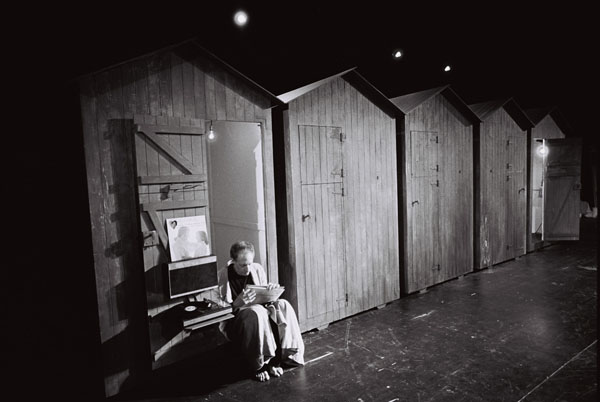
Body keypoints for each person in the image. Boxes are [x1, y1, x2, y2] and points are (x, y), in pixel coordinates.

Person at [218, 241, 305, 381]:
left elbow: (265, 299)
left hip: (261, 315)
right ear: (233, 261)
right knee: (256, 312)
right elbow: (220, 313)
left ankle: (284, 356)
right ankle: (259, 365)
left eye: (250, 263)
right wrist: (237, 303)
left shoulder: (257, 269)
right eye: (243, 265)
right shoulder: (222, 276)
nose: (248, 269)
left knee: (283, 305)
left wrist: (271, 290)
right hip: (238, 322)